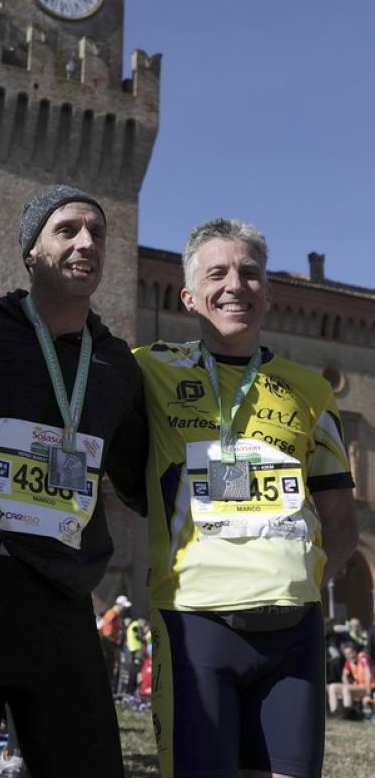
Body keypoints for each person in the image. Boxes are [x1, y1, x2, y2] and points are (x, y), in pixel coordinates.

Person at [0, 184, 148, 778]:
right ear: (30, 253)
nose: (87, 242)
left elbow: (141, 483)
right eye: (67, 230)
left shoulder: (116, 364)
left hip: (63, 597)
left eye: (97, 232)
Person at [135, 218, 358, 778]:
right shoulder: (147, 369)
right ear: (188, 296)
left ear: (268, 293)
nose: (236, 284)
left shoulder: (311, 390)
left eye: (250, 273)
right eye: (217, 273)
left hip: (293, 627)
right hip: (194, 620)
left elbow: (340, 519)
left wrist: (308, 582)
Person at [327, 641, 373, 717]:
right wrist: (347, 684)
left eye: (351, 653)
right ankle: (334, 713)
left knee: (346, 689)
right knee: (332, 687)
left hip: (369, 687)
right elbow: (344, 675)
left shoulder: (363, 658)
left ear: (355, 651)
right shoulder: (349, 661)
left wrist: (368, 693)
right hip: (358, 687)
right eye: (347, 654)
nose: (349, 656)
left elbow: (368, 675)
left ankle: (347, 714)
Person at [99, 593, 132, 692]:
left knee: (112, 666)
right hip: (108, 644)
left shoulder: (116, 615)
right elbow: (107, 632)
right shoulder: (112, 614)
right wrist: (113, 644)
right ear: (119, 605)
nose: (125, 609)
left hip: (112, 644)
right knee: (109, 666)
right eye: (124, 607)